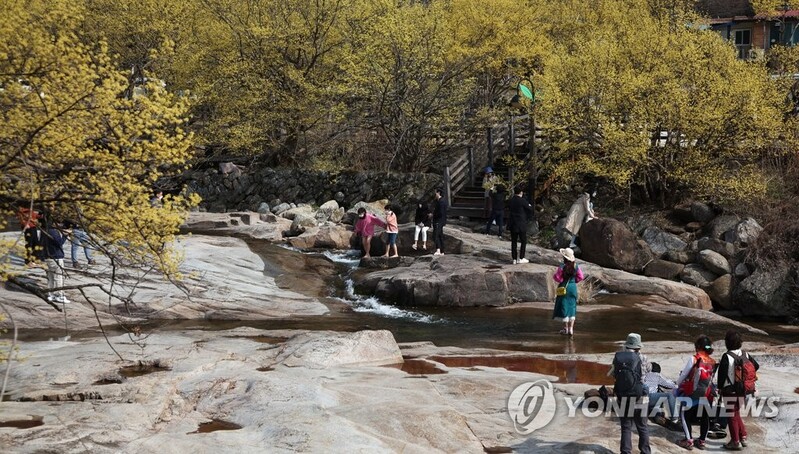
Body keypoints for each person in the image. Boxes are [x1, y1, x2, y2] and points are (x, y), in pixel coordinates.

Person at [717, 329, 760, 451]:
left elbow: (721, 376)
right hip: (744, 390)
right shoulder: (745, 354)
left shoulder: (727, 356)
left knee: (731, 415)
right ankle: (743, 437)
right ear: (740, 342)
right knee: (736, 413)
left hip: (730, 390)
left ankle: (735, 441)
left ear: (727, 342)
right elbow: (756, 366)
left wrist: (720, 388)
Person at [608, 333, 651, 454]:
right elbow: (648, 370)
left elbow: (612, 374)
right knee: (642, 426)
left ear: (627, 344)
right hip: (641, 395)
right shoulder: (644, 358)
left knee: (626, 426)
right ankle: (645, 451)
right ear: (639, 346)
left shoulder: (619, 357)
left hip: (624, 396)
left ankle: (626, 451)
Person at [675, 335, 717, 450]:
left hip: (692, 393)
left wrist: (676, 384)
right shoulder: (712, 361)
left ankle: (689, 440)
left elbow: (684, 374)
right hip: (706, 394)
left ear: (697, 347)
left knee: (684, 415)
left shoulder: (694, 358)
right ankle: (702, 441)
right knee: (705, 417)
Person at [552, 247, 584, 336]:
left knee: (564, 306)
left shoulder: (562, 267)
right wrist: (574, 281)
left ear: (564, 258)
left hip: (564, 287)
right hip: (573, 287)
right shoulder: (576, 266)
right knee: (572, 307)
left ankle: (566, 328)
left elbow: (558, 278)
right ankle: (571, 329)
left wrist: (557, 277)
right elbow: (581, 277)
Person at [40, 217, 71, 304]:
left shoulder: (43, 231)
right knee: (58, 277)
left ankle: (51, 294)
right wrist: (65, 235)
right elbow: (59, 243)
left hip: (47, 256)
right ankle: (59, 295)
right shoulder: (53, 231)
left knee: (50, 277)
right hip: (56, 257)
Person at [507, 185, 533, 264]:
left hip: (513, 223)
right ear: (521, 192)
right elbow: (529, 209)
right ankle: (521, 257)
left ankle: (514, 259)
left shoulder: (511, 200)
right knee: (523, 241)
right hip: (521, 223)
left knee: (514, 241)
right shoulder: (522, 200)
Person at [432, 188, 447, 256]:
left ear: (438, 193)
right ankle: (442, 251)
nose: (435, 194)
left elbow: (441, 212)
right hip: (440, 220)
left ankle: (438, 249)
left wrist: (433, 215)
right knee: (440, 235)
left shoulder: (441, 202)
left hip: (439, 220)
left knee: (436, 235)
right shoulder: (439, 201)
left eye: (435, 193)